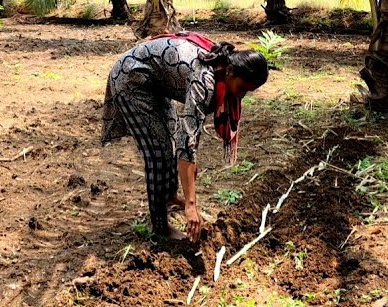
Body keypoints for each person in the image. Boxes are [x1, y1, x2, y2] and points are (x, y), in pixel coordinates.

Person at [102, 33, 269, 241]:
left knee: (170, 140)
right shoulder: (205, 82)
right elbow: (188, 143)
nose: (241, 96)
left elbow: (188, 139)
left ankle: (169, 197)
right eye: (241, 88)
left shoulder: (221, 68)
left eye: (248, 91)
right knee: (158, 153)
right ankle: (160, 228)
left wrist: (191, 189)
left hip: (154, 81)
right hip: (132, 78)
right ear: (230, 71)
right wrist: (191, 205)